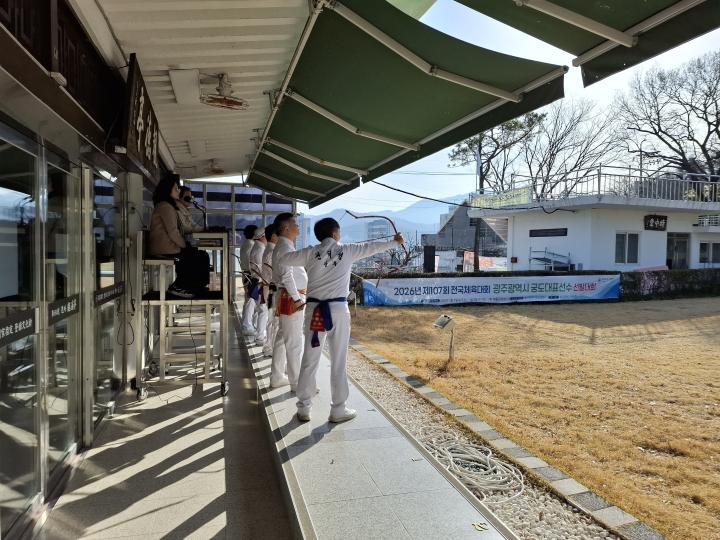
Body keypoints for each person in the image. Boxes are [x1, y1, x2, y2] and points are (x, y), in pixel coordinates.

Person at [280, 217, 404, 423]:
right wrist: (395, 242)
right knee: (338, 359)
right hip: (337, 310)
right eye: (338, 232)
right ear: (335, 234)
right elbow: (372, 247)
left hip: (314, 310)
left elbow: (284, 259)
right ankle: (338, 409)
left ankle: (303, 407)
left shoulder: (310, 252)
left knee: (309, 358)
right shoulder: (347, 250)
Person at [148, 174, 210, 298]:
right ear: (168, 189)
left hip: (167, 246)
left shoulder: (167, 205)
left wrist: (185, 245)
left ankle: (196, 286)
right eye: (176, 188)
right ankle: (179, 286)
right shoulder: (165, 206)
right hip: (164, 248)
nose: (179, 190)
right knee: (194, 255)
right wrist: (184, 245)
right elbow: (173, 232)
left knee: (201, 255)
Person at [269, 213, 307, 390]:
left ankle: (277, 376)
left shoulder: (284, 245)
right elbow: (287, 276)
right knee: (294, 342)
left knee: (283, 337)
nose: (297, 226)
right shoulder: (284, 247)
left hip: (288, 295)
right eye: (294, 223)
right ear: (285, 228)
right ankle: (297, 383)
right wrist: (297, 299)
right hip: (292, 297)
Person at [242, 227, 267, 338]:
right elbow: (255, 265)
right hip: (251, 276)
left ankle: (250, 325)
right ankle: (247, 326)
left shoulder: (247, 244)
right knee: (251, 302)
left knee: (251, 302)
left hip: (249, 275)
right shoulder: (253, 246)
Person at [261, 224, 279, 356]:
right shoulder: (272, 252)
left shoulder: (269, 249)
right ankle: (270, 347)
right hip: (272, 289)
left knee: (271, 319)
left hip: (269, 288)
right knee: (273, 320)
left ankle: (269, 346)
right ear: (273, 236)